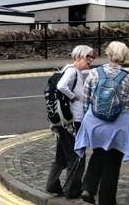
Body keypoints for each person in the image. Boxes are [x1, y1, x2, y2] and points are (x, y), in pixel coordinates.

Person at [74, 41, 129, 205]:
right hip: (117, 126)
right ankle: (106, 200)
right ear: (125, 56)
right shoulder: (128, 77)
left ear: (108, 54)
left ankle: (88, 189)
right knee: (112, 161)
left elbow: (86, 98)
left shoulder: (95, 73)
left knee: (98, 153)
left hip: (95, 123)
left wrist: (85, 121)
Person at [45, 45, 95, 198]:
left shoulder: (69, 70)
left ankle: (52, 185)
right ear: (77, 57)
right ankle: (71, 191)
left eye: (92, 57)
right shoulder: (73, 71)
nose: (90, 60)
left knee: (61, 156)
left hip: (64, 122)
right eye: (88, 57)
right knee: (77, 157)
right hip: (72, 122)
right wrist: (73, 97)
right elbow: (61, 86)